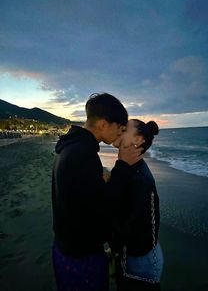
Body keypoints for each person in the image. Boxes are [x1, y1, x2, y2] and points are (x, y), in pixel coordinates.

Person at [51, 93, 143, 291]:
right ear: (103, 124)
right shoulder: (83, 154)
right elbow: (104, 207)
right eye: (119, 127)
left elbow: (81, 199)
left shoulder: (70, 146)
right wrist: (123, 165)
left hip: (65, 247)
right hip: (80, 255)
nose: (120, 133)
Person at [112, 119, 164, 291]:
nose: (119, 129)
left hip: (141, 260)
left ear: (138, 140)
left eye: (124, 128)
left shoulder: (139, 179)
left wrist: (116, 248)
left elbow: (136, 229)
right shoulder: (127, 169)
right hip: (135, 255)